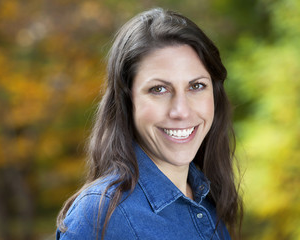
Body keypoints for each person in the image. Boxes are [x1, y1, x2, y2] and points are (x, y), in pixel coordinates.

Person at [56, 8, 243, 240]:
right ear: (127, 101)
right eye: (159, 89)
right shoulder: (100, 216)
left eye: (196, 86)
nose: (181, 111)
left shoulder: (208, 198)